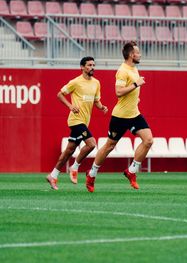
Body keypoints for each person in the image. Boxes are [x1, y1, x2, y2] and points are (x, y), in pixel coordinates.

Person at [86, 41, 153, 193]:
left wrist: (135, 97)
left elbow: (130, 92)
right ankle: (91, 174)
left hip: (134, 113)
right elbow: (118, 92)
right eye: (138, 52)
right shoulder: (122, 71)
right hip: (121, 116)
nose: (140, 54)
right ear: (131, 55)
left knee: (148, 140)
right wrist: (136, 85)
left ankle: (131, 171)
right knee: (110, 145)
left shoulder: (134, 68)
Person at [46, 56, 108, 190]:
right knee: (91, 144)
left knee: (69, 150)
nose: (92, 67)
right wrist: (70, 106)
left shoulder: (96, 83)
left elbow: (96, 100)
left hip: (85, 121)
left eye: (93, 65)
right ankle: (75, 167)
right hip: (75, 120)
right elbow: (60, 94)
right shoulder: (76, 82)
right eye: (89, 65)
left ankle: (53, 175)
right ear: (82, 67)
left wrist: (102, 107)